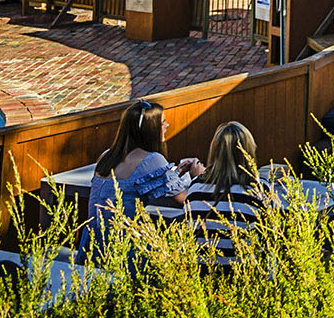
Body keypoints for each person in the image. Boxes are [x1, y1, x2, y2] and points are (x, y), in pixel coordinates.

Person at [85, 100, 200, 255]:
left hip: (92, 246)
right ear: (150, 129)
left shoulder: (106, 156)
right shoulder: (152, 160)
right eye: (163, 122)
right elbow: (187, 202)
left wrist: (173, 175)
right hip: (124, 247)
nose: (167, 126)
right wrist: (196, 177)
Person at [184, 121, 260, 266]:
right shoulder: (258, 191)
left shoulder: (195, 189)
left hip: (202, 275)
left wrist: (198, 177)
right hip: (245, 275)